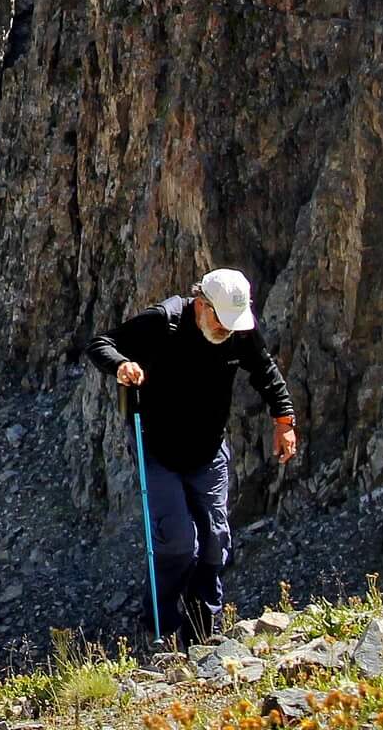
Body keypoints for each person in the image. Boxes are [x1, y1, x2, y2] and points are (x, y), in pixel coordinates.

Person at [88, 268, 299, 645]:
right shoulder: (165, 321)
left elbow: (265, 371)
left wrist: (284, 420)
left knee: (215, 544)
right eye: (220, 319)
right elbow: (100, 343)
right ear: (202, 305)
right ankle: (163, 630)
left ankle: (202, 637)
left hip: (208, 452)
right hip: (159, 452)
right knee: (178, 545)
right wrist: (121, 364)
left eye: (234, 323)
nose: (227, 330)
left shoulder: (238, 331)